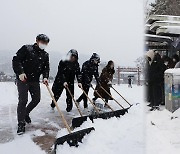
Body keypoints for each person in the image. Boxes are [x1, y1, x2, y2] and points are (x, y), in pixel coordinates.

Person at [12, 34, 50, 135]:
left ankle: (26, 113)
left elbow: (46, 68)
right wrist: (20, 72)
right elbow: (16, 60)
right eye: (42, 42)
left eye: (46, 43)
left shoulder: (45, 55)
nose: (44, 44)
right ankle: (21, 123)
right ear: (37, 41)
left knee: (36, 99)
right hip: (23, 79)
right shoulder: (26, 49)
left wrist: (45, 77)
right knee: (23, 100)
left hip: (35, 80)